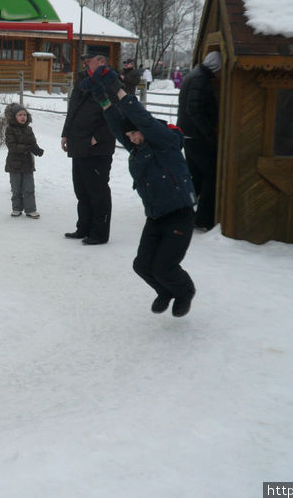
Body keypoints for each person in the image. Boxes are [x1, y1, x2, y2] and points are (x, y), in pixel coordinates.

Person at [81, 66, 197, 317]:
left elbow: (140, 117)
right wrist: (101, 98)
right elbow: (116, 125)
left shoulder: (164, 141)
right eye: (130, 135)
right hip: (156, 215)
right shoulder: (138, 147)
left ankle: (185, 291)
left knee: (165, 267)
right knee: (142, 266)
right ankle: (165, 291)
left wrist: (117, 88)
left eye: (135, 134)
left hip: (179, 214)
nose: (131, 138)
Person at [60, 46, 117, 245]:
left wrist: (98, 138)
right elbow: (73, 108)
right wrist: (66, 133)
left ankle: (99, 233)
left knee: (97, 191)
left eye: (89, 59)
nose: (85, 61)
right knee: (82, 190)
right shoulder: (84, 80)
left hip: (97, 148)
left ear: (101, 61)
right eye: (85, 59)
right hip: (78, 144)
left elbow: (117, 116)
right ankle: (83, 228)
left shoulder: (112, 82)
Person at [177, 50, 221, 231]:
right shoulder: (201, 80)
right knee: (211, 175)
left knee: (195, 176)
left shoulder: (193, 75)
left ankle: (180, 212)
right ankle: (203, 217)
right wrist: (208, 133)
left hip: (188, 134)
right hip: (197, 136)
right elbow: (194, 109)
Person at [4, 102, 43, 218]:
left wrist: (37, 149)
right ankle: (16, 208)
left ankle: (31, 209)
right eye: (20, 115)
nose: (23, 117)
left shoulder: (29, 129)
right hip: (14, 164)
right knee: (16, 188)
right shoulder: (10, 129)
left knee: (29, 188)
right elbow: (12, 146)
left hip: (28, 164)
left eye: (25, 115)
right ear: (14, 117)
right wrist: (27, 148)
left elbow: (32, 143)